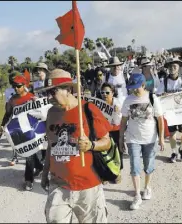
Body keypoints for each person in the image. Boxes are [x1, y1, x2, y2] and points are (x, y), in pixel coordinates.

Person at [39, 69, 112, 223]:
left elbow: (107, 142)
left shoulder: (88, 110)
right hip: (59, 184)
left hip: (88, 186)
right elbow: (51, 147)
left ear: (68, 90)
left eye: (53, 92)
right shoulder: (51, 113)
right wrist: (45, 172)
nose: (49, 97)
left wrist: (91, 145)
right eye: (47, 93)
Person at [119, 73, 165, 210]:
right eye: (131, 87)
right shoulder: (128, 100)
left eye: (136, 87)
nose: (134, 90)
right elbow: (123, 120)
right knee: (135, 166)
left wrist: (161, 138)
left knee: (149, 165)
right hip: (133, 138)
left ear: (143, 85)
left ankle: (147, 187)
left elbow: (160, 119)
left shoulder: (152, 98)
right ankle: (137, 195)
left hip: (150, 138)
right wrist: (121, 138)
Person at [0, 75, 44, 190]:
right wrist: (2, 126)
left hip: (31, 130)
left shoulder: (32, 98)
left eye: (18, 86)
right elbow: (8, 114)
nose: (16, 89)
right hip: (19, 130)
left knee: (28, 154)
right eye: (14, 86)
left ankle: (28, 180)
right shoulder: (12, 100)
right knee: (29, 152)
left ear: (25, 86)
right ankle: (39, 167)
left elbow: (40, 113)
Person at [156, 57, 182, 163]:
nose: (172, 68)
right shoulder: (164, 82)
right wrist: (163, 95)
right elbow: (157, 95)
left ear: (179, 67)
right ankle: (174, 152)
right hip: (170, 112)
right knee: (172, 134)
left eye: (174, 66)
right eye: (170, 66)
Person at [99, 82, 123, 172]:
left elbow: (119, 120)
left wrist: (117, 112)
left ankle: (118, 170)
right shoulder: (99, 103)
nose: (104, 95)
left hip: (116, 130)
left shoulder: (117, 103)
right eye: (102, 93)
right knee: (104, 151)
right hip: (104, 131)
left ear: (112, 93)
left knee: (117, 150)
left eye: (107, 92)